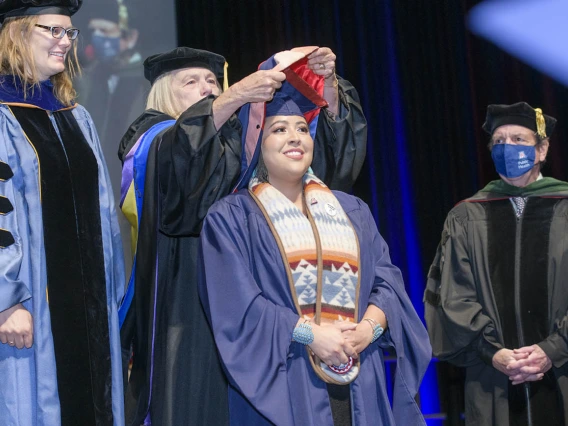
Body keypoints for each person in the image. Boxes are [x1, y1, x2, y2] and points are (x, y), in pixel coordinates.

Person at [118, 46, 367, 426]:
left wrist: (326, 86)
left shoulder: (238, 136)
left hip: (253, 298)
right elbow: (174, 186)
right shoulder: (153, 138)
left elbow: (325, 164)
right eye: (191, 82)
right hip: (190, 296)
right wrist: (232, 96)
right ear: (166, 92)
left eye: (213, 81)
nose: (207, 88)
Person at [198, 79, 431, 425]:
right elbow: (236, 305)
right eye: (279, 129)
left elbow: (388, 285)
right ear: (256, 143)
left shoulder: (351, 210)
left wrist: (369, 329)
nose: (295, 137)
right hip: (284, 379)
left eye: (303, 129)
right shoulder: (232, 218)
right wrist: (311, 334)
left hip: (359, 378)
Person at [0, 1, 125, 426]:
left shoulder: (77, 117)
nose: (65, 42)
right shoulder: (1, 116)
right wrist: (6, 301)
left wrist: (109, 292)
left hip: (89, 304)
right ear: (16, 33)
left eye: (69, 33)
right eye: (53, 30)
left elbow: (104, 212)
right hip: (28, 304)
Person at [424, 102, 568, 425]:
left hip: (563, 371)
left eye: (518, 139)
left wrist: (554, 348)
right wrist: (493, 352)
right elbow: (452, 298)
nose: (507, 148)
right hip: (493, 379)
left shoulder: (565, 206)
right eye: (499, 141)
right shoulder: (465, 216)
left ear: (542, 149)